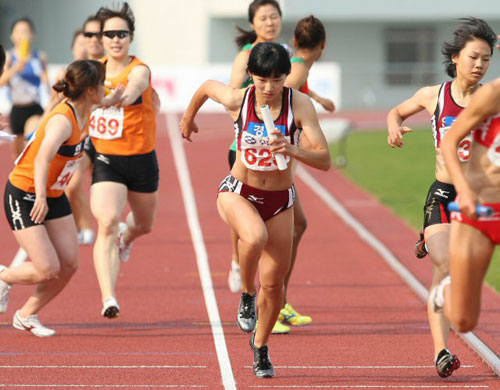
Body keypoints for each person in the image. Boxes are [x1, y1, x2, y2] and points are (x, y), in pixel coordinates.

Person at [180, 42, 331, 378]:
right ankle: (247, 293)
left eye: (276, 80)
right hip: (239, 192)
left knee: (275, 286)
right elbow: (206, 88)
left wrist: (292, 148)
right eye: (262, 80)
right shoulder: (240, 99)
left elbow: (325, 159)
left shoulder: (300, 105)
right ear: (251, 76)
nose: (268, 88)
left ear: (285, 77)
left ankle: (260, 346)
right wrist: (188, 119)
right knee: (253, 236)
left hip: (280, 201)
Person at [386, 17, 496, 378]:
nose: (479, 65)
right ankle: (442, 352)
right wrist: (393, 128)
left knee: (463, 276)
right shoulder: (433, 95)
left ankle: (429, 243)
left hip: (481, 199)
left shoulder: (492, 100)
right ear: (455, 58)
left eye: (487, 59)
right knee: (446, 268)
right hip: (446, 195)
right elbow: (396, 111)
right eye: (473, 57)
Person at [0, 59, 115, 337]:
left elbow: (109, 100)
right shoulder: (63, 121)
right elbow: (41, 158)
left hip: (52, 194)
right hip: (25, 193)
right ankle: (3, 277)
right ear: (90, 90)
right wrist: (40, 197)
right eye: (102, 84)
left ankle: (26, 314)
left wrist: (124, 95)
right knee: (47, 268)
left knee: (69, 265)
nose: (105, 87)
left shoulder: (88, 106)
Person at [90, 3, 159, 319]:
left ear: (130, 37)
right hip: (107, 160)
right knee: (105, 222)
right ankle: (108, 297)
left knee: (144, 224)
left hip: (142, 159)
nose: (116, 39)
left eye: (122, 34)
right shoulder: (92, 71)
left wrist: (113, 98)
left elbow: (134, 91)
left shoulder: (139, 69)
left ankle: (126, 236)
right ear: (101, 38)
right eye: (110, 34)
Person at [278, 14, 335, 328]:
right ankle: (266, 304)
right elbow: (282, 94)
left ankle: (279, 299)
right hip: (275, 160)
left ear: (297, 42)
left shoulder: (299, 66)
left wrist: (317, 98)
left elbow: (296, 90)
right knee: (284, 231)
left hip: (282, 158)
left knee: (298, 225)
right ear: (323, 46)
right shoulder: (297, 68)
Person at [435, 76, 500, 334]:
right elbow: (449, 142)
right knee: (463, 321)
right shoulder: (492, 94)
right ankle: (445, 290)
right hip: (479, 211)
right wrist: (463, 190)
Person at [226, 0, 283, 299]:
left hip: (279, 150)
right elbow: (232, 93)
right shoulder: (246, 56)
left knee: (293, 222)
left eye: (274, 16)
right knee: (244, 209)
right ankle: (238, 260)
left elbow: (297, 92)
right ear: (253, 24)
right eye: (263, 18)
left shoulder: (284, 53)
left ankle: (274, 289)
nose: (270, 22)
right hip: (245, 147)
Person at [0, 18, 49, 160]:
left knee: (31, 149)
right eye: (19, 32)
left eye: (26, 31)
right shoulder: (8, 57)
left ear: (32, 35)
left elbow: (46, 84)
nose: (23, 35)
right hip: (17, 109)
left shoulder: (39, 57)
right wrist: (16, 67)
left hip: (35, 108)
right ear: (12, 36)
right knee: (18, 156)